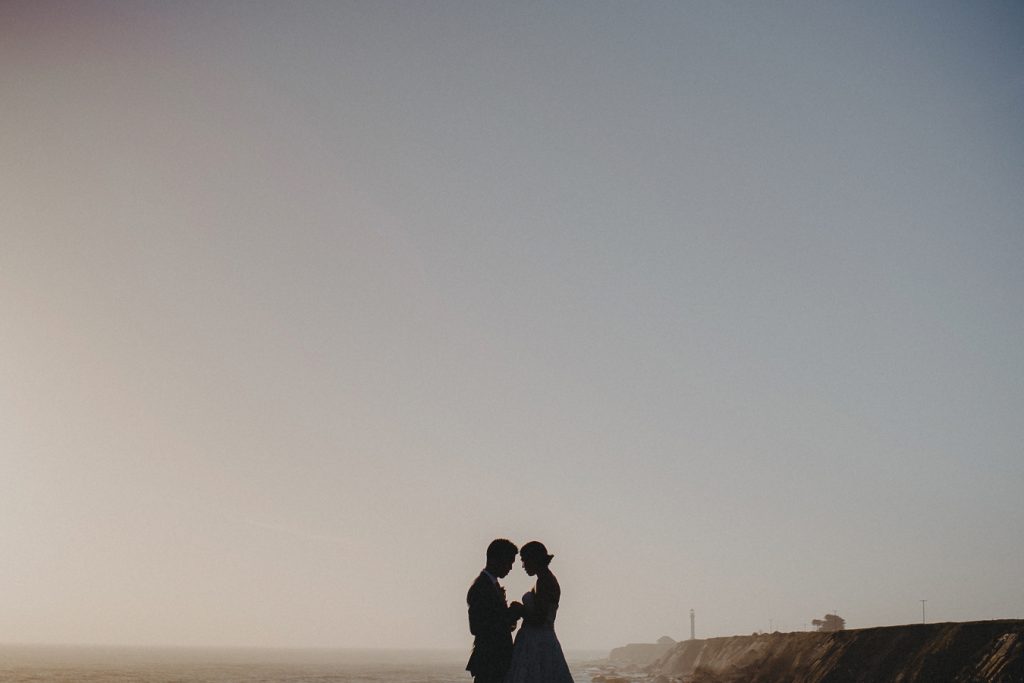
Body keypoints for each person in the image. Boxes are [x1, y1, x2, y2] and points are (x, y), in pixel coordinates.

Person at [503, 541, 574, 683]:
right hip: (538, 640)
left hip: (538, 643)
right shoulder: (544, 580)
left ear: (534, 560)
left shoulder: (545, 581)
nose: (523, 566)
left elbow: (539, 619)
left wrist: (520, 609)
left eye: (524, 561)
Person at [467, 539, 524, 683]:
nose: (510, 568)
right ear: (494, 560)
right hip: (490, 660)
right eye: (508, 562)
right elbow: (477, 627)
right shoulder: (481, 587)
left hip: (497, 660)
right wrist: (511, 614)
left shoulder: (491, 585)